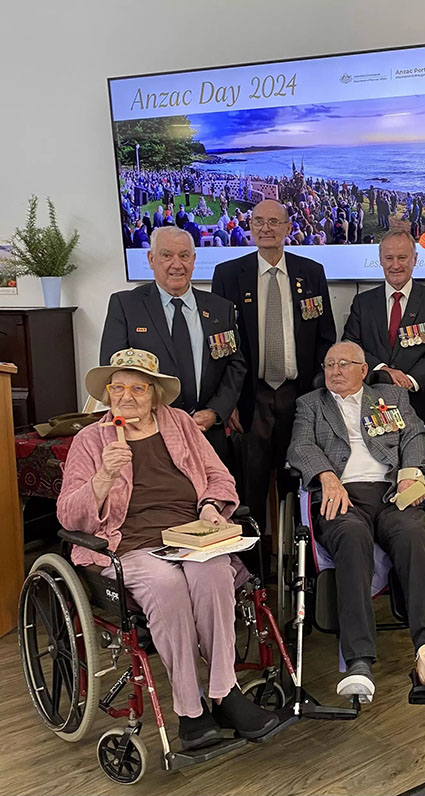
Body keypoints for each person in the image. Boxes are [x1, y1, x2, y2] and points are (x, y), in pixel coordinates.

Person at [57, 349, 278, 749]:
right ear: (107, 394)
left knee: (213, 574)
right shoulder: (90, 439)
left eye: (138, 388)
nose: (126, 395)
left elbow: (218, 475)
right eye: (118, 387)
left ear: (155, 394)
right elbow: (69, 515)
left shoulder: (179, 424)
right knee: (168, 588)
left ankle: (224, 693)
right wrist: (104, 476)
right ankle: (190, 711)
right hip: (130, 547)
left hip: (188, 536)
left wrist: (211, 506)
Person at [287, 342, 425, 702]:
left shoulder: (391, 396)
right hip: (341, 496)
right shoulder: (311, 404)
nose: (334, 370)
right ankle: (359, 661)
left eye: (343, 364)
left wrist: (411, 473)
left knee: (414, 533)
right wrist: (325, 475)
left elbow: (415, 434)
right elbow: (300, 447)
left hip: (388, 493)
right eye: (329, 363)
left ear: (363, 370)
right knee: (351, 537)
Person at [211, 198, 336, 535]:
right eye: (258, 222)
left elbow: (326, 337)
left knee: (298, 484)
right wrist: (230, 400)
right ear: (249, 227)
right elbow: (222, 345)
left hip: (301, 396)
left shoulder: (311, 273)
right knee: (249, 487)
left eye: (274, 222)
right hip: (252, 397)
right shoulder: (228, 275)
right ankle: (252, 575)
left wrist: (319, 394)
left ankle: (302, 569)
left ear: (287, 228)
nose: (266, 228)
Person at [100, 226, 246, 463]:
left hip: (207, 434)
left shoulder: (220, 308)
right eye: (167, 255)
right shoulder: (126, 305)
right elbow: (112, 370)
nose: (176, 264)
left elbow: (234, 365)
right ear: (151, 259)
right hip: (148, 436)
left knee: (214, 498)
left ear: (194, 260)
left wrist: (216, 412)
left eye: (184, 256)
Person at [343, 229, 425, 435]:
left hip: (421, 403)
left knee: (420, 465)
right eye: (389, 258)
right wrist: (384, 371)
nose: (395, 265)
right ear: (380, 260)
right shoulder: (363, 303)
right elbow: (350, 345)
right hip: (373, 400)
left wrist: (410, 381)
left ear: (415, 259)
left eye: (402, 257)